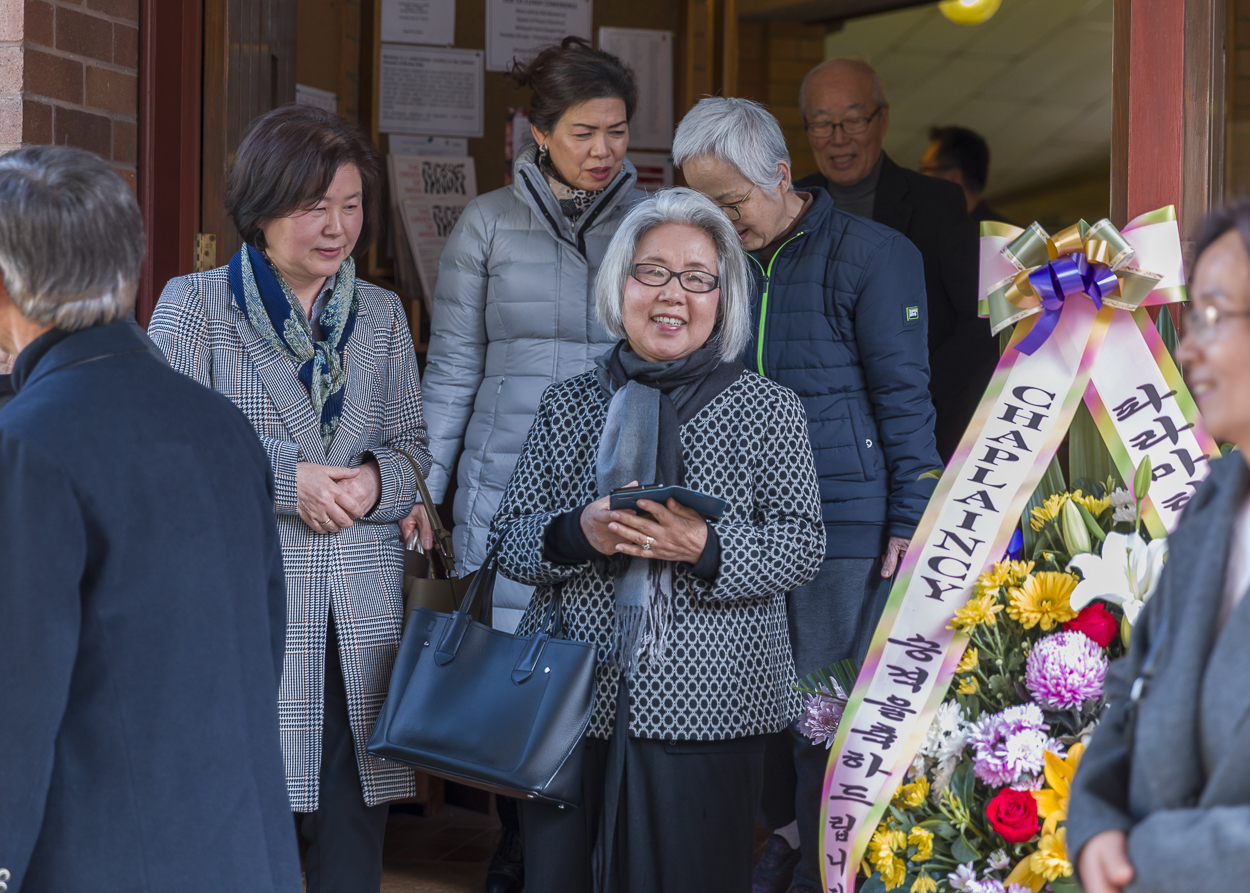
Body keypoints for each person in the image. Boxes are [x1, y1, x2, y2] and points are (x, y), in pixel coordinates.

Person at [488, 187, 825, 893]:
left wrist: (705, 545)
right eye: (653, 272)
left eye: (698, 277)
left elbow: (801, 543)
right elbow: (511, 540)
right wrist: (576, 531)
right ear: (622, 284)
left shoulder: (769, 409)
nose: (674, 294)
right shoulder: (568, 404)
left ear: (723, 296)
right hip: (572, 706)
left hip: (716, 707)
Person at [0, 146, 301, 890]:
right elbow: (263, 647)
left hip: (95, 859)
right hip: (238, 849)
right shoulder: (221, 427)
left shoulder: (27, 446)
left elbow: (14, 700)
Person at [149, 105, 429, 893]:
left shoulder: (379, 314)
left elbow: (414, 446)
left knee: (353, 816)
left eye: (350, 205)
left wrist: (379, 481)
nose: (338, 227)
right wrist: (285, 479)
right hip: (249, 600)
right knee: (245, 810)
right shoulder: (195, 305)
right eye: (315, 207)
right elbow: (164, 448)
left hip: (362, 606)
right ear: (261, 210)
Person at [673, 96, 941, 893]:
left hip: (842, 521)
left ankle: (817, 863)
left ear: (780, 175)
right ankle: (787, 839)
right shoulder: (712, 261)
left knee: (819, 713)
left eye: (731, 204)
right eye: (703, 206)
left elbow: (905, 392)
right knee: (736, 709)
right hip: (727, 522)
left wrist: (911, 511)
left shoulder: (874, 253)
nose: (720, 223)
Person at [403, 36, 645, 892]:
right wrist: (423, 486)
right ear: (537, 132)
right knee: (512, 671)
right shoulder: (486, 225)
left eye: (616, 131)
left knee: (611, 671)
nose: (602, 150)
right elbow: (454, 369)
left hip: (615, 486)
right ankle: (518, 846)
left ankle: (599, 852)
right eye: (583, 132)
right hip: (507, 487)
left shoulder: (648, 225)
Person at [1067, 201, 1250, 893]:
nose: (1188, 348)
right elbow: (1134, 683)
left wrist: (1156, 858)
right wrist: (1095, 824)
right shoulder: (1219, 495)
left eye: (1213, 315)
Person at [794, 58, 995, 460]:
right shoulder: (787, 206)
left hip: (915, 432)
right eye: (821, 124)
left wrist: (909, 397)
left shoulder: (936, 205)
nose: (838, 138)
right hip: (809, 436)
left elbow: (981, 319)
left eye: (853, 120)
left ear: (882, 119)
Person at [920, 125, 1013, 226]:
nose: (920, 178)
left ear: (952, 177)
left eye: (925, 169)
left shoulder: (1003, 240)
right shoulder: (1003, 235)